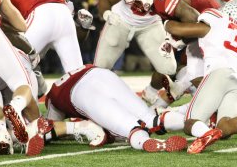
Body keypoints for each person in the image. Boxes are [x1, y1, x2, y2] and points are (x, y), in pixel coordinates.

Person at [163, 0, 237, 154]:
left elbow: (180, 29)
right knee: (225, 126)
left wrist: (165, 22)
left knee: (190, 123)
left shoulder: (218, 19)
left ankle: (205, 133)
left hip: (220, 74)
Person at [97, 0, 186, 106]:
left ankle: (150, 92)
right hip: (121, 20)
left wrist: (175, 32)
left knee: (169, 68)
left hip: (151, 23)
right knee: (100, 68)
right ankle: (96, 101)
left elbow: (180, 6)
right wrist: (107, 13)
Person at [45, 65, 187, 152]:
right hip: (102, 74)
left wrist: (74, 128)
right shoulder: (72, 73)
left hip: (80, 92)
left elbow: (49, 127)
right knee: (152, 120)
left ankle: (148, 143)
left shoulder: (53, 97)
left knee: (132, 128)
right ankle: (196, 124)